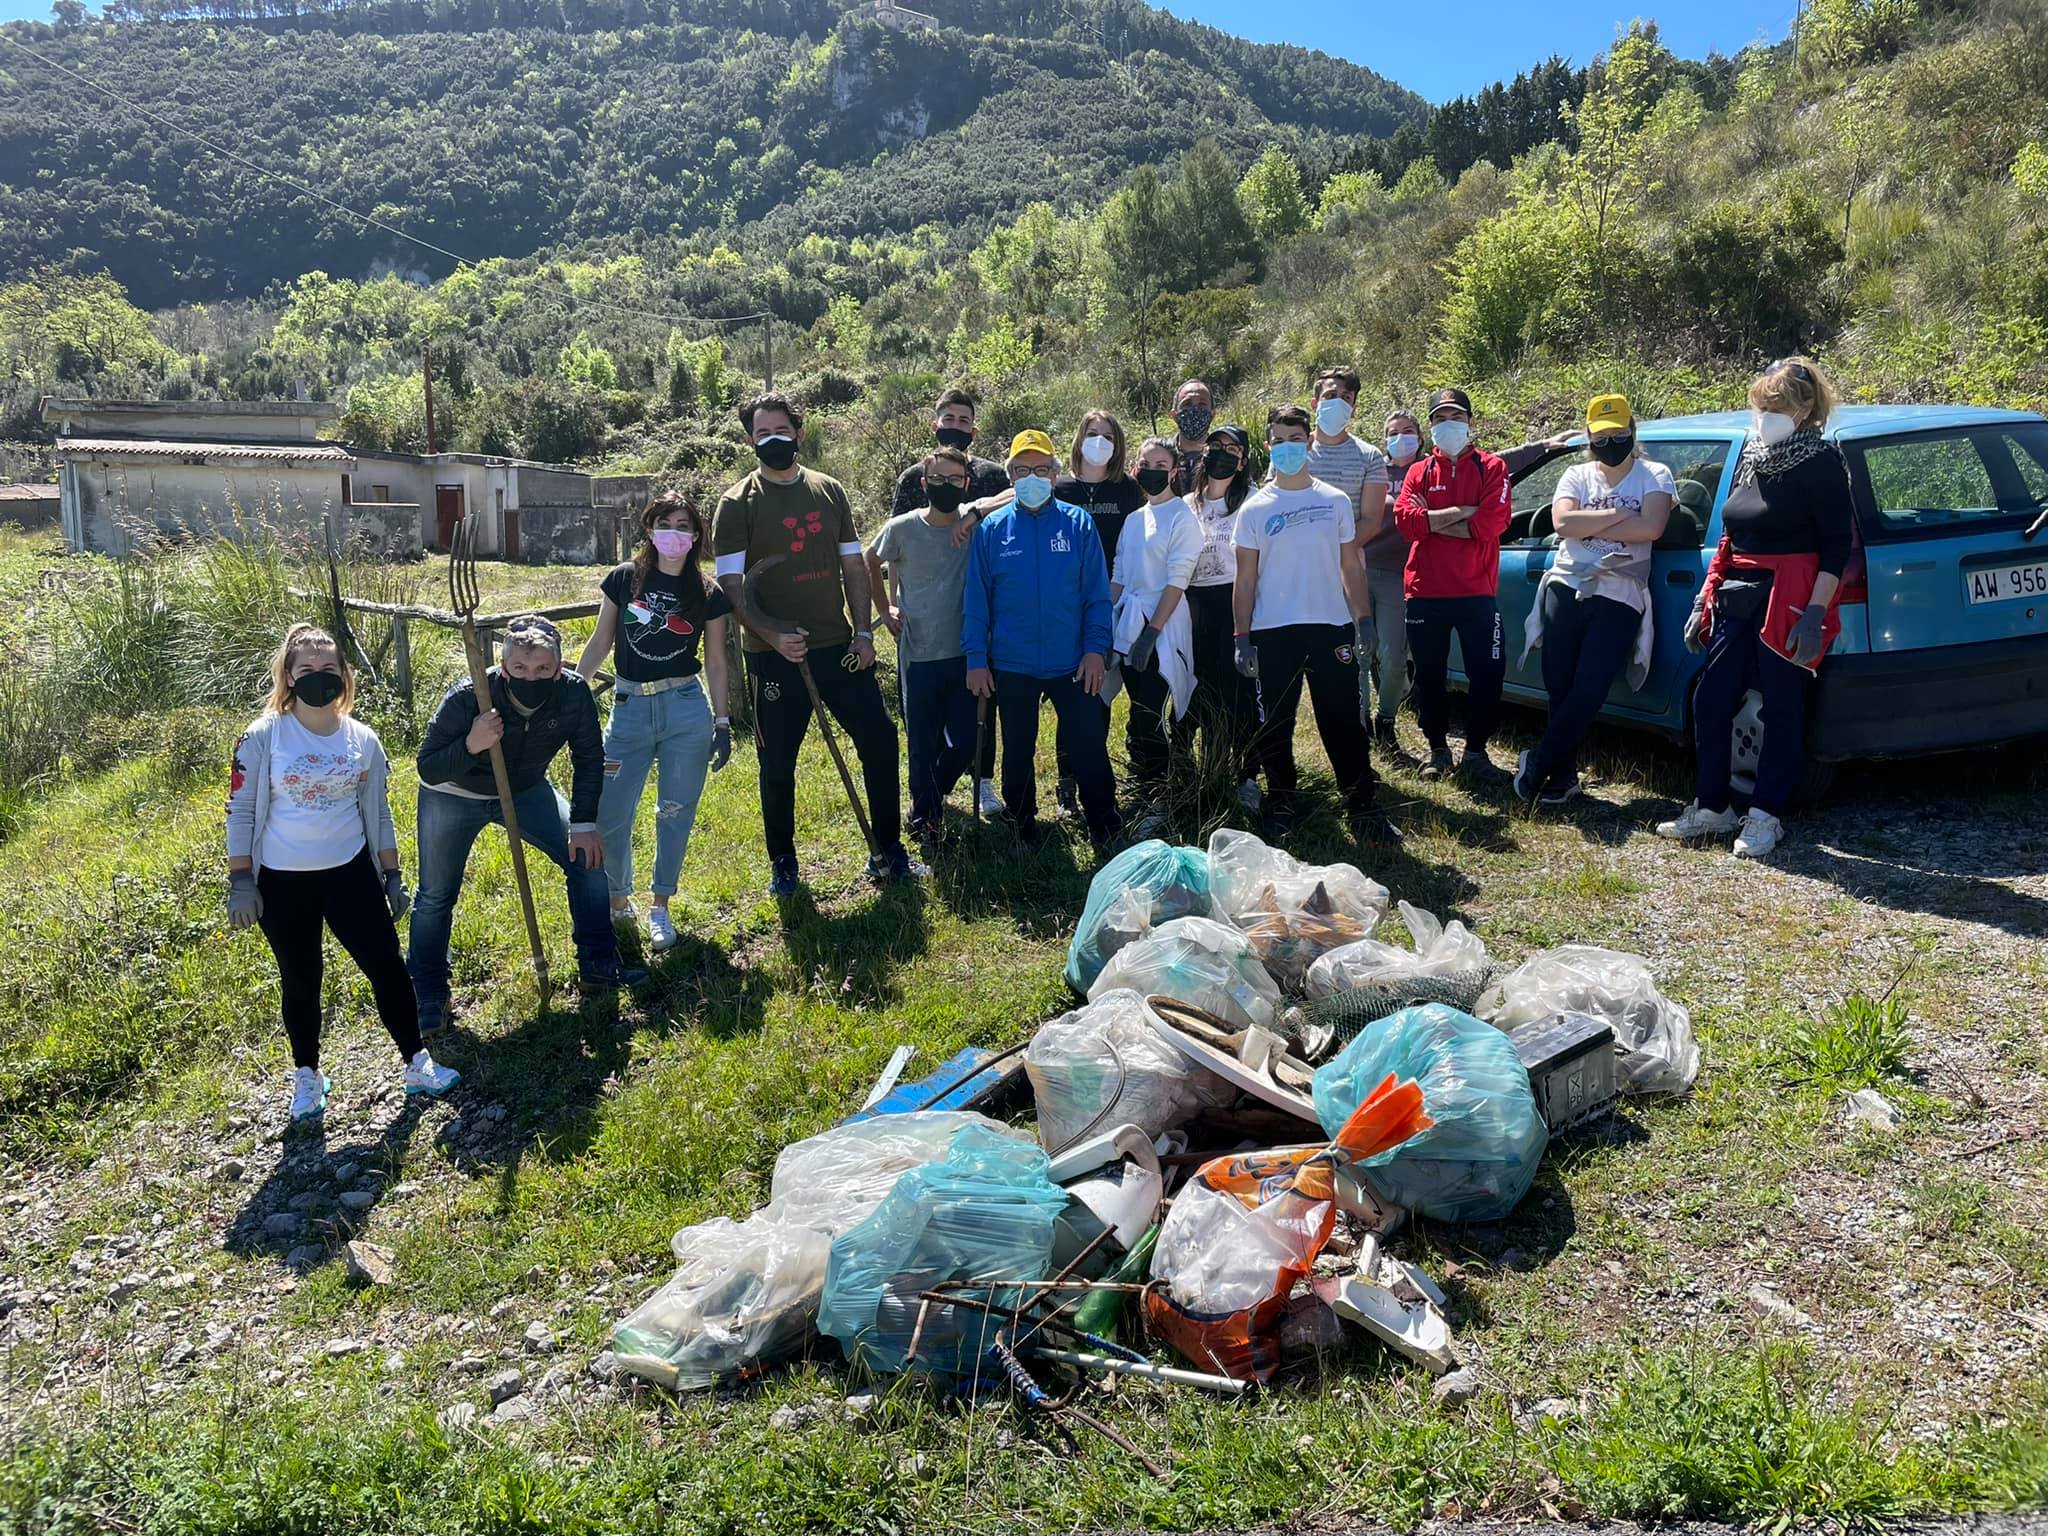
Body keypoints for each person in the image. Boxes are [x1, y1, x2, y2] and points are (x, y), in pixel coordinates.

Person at [228, 624, 459, 1120]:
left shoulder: (362, 739)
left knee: (387, 967)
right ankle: (307, 1076)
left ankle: (416, 1061)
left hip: (349, 874)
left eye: (328, 669)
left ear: (343, 674)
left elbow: (378, 813)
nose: (318, 677)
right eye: (306, 670)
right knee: (301, 975)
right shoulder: (261, 736)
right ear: (288, 675)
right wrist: (241, 880)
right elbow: (241, 809)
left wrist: (392, 876)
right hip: (283, 881)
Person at [714, 391, 921, 895]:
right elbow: (732, 587)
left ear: (799, 433)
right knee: (777, 761)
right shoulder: (735, 504)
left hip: (837, 646)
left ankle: (889, 850)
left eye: (781, 431)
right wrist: (772, 634)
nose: (773, 441)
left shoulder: (829, 491)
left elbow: (854, 565)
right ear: (750, 440)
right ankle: (783, 863)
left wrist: (864, 630)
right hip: (772, 657)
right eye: (762, 434)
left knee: (879, 737)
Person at [1658, 357, 1853, 858]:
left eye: (1778, 405)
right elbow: (1730, 534)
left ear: (1806, 407)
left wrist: (1815, 612)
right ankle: (1712, 806)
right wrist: (1707, 594)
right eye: (1761, 404)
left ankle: (1766, 817)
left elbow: (1836, 545)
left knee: (1782, 707)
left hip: (1790, 595)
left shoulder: (1822, 461)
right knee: (1712, 698)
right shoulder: (1752, 453)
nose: (1766, 413)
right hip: (1736, 592)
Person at [410, 615, 646, 1028]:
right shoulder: (471, 696)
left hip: (524, 790)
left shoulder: (573, 695)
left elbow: (589, 758)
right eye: (519, 668)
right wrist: (471, 743)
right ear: (503, 668)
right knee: (435, 894)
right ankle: (429, 992)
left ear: (559, 667)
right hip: (454, 794)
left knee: (587, 859)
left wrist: (584, 822)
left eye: (541, 669)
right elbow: (428, 768)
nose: (530, 676)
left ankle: (597, 966)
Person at [1232, 405, 1397, 845]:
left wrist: (1364, 621)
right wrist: (1242, 636)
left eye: (1295, 439)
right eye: (1279, 440)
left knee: (1341, 718)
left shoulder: (1334, 501)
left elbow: (1350, 565)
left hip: (1331, 626)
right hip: (1273, 632)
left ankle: (1362, 802)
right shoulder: (1254, 509)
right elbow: (1245, 578)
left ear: (1309, 443)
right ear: (1269, 446)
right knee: (1277, 724)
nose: (1288, 447)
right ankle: (1282, 800)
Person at [577, 492, 734, 952]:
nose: (674, 534)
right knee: (611, 812)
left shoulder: (708, 593)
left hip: (686, 707)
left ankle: (660, 905)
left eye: (684, 526)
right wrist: (570, 690)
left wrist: (722, 722)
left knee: (675, 810)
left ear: (695, 535)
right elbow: (601, 641)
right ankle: (618, 900)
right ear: (649, 529)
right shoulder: (624, 580)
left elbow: (717, 661)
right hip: (629, 708)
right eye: (665, 523)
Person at [1515, 395, 1674, 805]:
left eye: (1620, 433)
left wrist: (1591, 523)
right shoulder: (1576, 473)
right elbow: (1563, 522)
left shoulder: (1655, 473)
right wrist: (1623, 517)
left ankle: (1538, 761)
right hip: (1566, 585)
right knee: (1560, 685)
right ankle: (1562, 776)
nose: (1612, 441)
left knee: (1590, 687)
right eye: (1603, 435)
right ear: (1589, 436)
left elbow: (1653, 527)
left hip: (1621, 591)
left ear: (1632, 432)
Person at [963, 430, 1119, 848]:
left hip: (1073, 661)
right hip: (1012, 664)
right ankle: (1021, 824)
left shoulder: (1078, 523)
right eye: (1022, 469)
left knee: (1088, 745)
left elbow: (1096, 595)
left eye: (1041, 468)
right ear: (1011, 475)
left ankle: (1104, 821)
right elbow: (977, 599)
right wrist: (976, 658)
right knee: (1017, 750)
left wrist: (1094, 651)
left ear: (1054, 473)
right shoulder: (992, 530)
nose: (1032, 476)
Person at [1393, 387, 1512, 782]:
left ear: (1470, 422)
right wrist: (1463, 512)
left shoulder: (1492, 468)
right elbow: (1408, 524)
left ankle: (1477, 752)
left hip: (1477, 592)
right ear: (1431, 427)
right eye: (1440, 419)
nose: (1449, 425)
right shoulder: (1417, 471)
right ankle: (1437, 751)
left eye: (1456, 417)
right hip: (1426, 592)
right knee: (1429, 675)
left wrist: (1434, 521)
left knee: (1488, 673)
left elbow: (1492, 523)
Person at [868, 445, 980, 845]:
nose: (945, 486)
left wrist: (977, 512)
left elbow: (1015, 493)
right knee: (921, 740)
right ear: (923, 482)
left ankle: (935, 790)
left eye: (954, 479)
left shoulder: (973, 524)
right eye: (937, 479)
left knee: (966, 740)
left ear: (966, 482)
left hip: (965, 654)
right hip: (917, 653)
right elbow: (869, 560)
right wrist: (887, 608)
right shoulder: (901, 528)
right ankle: (925, 817)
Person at [1108, 435, 1202, 831]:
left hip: (1162, 628)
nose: (1152, 471)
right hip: (1127, 624)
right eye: (1146, 463)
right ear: (1135, 470)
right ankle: (1141, 786)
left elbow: (1177, 580)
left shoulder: (1183, 518)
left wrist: (1152, 632)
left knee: (1155, 716)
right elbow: (1120, 576)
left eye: (1161, 465)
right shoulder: (1134, 518)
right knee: (1136, 712)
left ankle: (1162, 800)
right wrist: (1105, 624)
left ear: (1173, 471)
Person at [1185, 422, 1264, 811]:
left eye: (1231, 448)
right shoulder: (1188, 504)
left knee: (1240, 693)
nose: (1221, 453)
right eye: (1215, 445)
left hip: (1236, 602)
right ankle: (1206, 770)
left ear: (1243, 458)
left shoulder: (1253, 500)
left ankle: (1249, 774)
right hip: (1193, 603)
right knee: (1200, 688)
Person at [1357, 408, 1423, 749]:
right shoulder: (1372, 468)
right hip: (1360, 566)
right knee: (1359, 651)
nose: (1400, 437)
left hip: (1399, 573)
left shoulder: (1429, 470)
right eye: (1392, 431)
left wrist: (1544, 445)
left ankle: (1386, 720)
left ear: (1420, 435)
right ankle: (1359, 725)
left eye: (1408, 430)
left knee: (1394, 655)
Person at [890, 385, 1011, 516]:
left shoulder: (993, 476)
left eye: (963, 421)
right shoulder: (911, 478)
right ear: (934, 427)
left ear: (973, 432)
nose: (956, 426)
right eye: (949, 419)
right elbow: (899, 532)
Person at [1167, 378, 1216, 497]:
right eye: (1187, 404)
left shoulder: (1224, 456)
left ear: (1212, 414)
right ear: (1174, 415)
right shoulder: (1160, 456)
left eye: (1202, 404)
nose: (1194, 410)